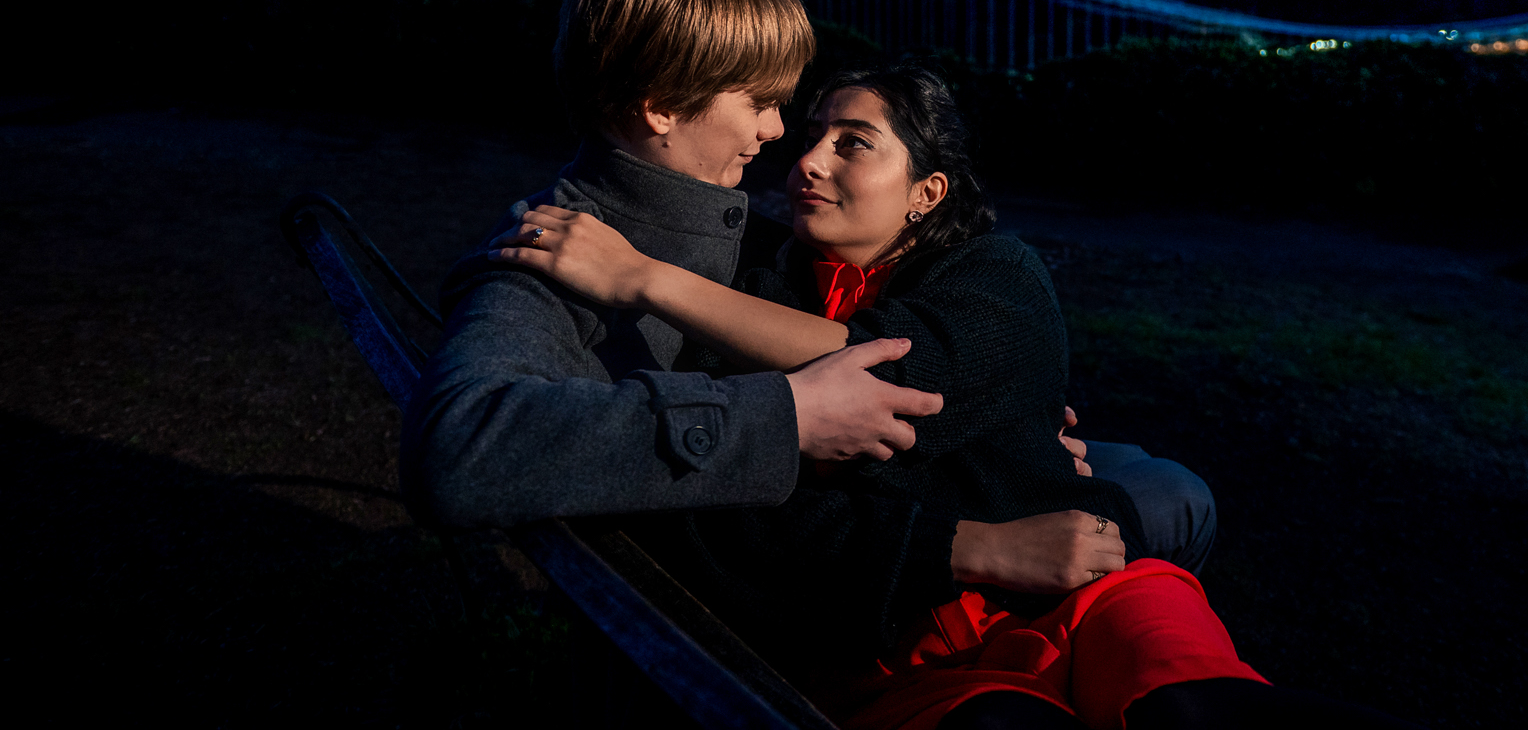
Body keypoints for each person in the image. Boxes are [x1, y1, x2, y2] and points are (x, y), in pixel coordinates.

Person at [495, 66, 1410, 729]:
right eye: (808, 133)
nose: (806, 159)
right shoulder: (760, 296)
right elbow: (755, 497)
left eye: (851, 142)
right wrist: (968, 529)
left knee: (1194, 707)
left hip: (1076, 598)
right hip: (901, 652)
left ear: (927, 191)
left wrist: (642, 276)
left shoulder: (998, 276)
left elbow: (894, 376)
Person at [404, 0, 1209, 591]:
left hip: (877, 513)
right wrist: (787, 415)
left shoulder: (724, 237)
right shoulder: (553, 256)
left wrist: (1008, 421)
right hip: (821, 587)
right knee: (1174, 498)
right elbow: (458, 449)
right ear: (659, 106)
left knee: (1141, 474)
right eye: (759, 100)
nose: (777, 129)